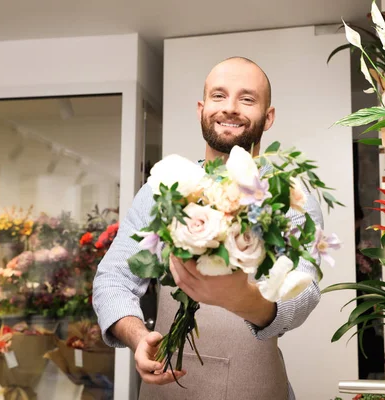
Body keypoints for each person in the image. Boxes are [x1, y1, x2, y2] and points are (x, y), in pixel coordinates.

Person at [92, 56, 324, 400]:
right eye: (219, 96)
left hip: (258, 387)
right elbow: (113, 278)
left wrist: (246, 301)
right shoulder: (163, 189)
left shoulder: (291, 197)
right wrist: (139, 336)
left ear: (268, 116)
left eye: (247, 99)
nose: (230, 108)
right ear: (202, 108)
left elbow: (304, 291)